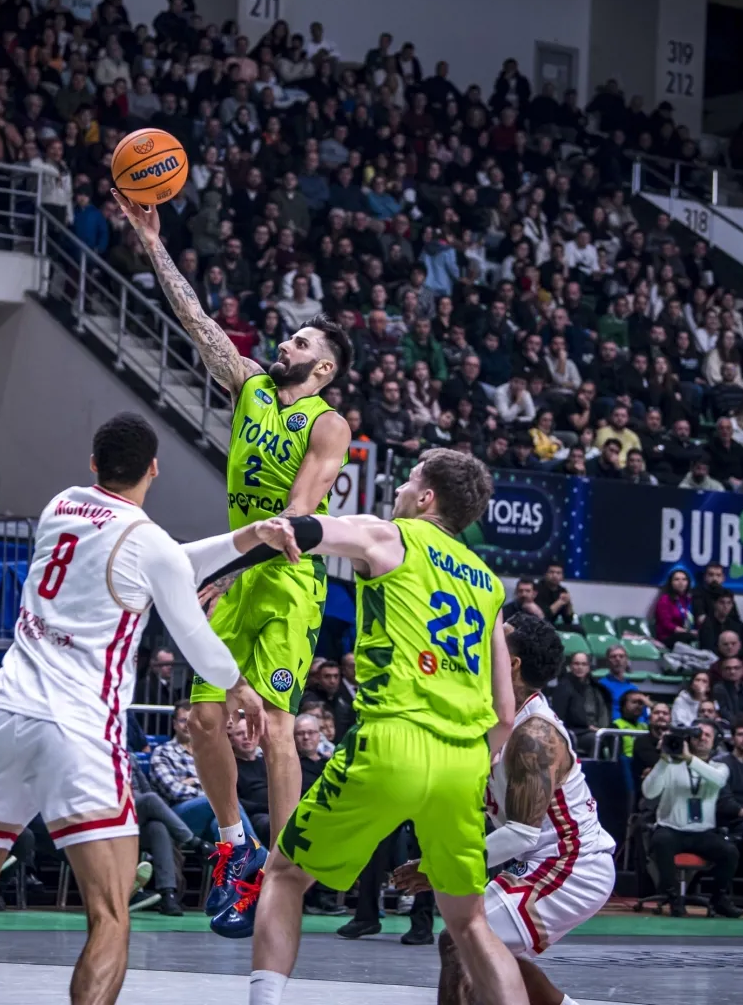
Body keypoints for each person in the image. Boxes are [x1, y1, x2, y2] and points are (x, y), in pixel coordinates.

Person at [0, 414, 272, 1005]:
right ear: (154, 469)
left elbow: (164, 558)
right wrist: (238, 684)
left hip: (6, 718)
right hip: (79, 728)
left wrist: (247, 537)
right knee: (110, 916)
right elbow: (190, 626)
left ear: (93, 464)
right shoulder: (150, 543)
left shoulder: (62, 506)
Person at [116, 191, 352, 919]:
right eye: (290, 339)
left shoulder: (329, 425)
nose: (286, 345)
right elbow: (196, 319)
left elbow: (295, 521)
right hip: (240, 568)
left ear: (323, 369)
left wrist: (222, 571)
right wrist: (153, 242)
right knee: (200, 715)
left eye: (301, 344)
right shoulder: (250, 385)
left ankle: (281, 869)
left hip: (285, 581)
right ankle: (233, 842)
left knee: (277, 724)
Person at [238, 448, 530, 1005]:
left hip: (394, 737)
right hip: (464, 760)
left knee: (285, 873)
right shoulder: (489, 584)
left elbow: (311, 528)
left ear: (426, 497)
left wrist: (264, 537)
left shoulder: (392, 535)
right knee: (469, 922)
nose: (399, 489)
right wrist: (473, 764)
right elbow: (506, 712)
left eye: (409, 480)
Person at [415, 613, 617, 1005]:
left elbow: (522, 833)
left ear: (512, 664)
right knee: (487, 950)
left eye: (495, 642)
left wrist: (442, 865)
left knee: (460, 939)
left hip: (573, 864)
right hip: (540, 857)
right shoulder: (493, 714)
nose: (482, 648)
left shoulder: (534, 734)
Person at [642, 720, 743, 918]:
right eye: (698, 734)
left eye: (707, 735)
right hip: (671, 829)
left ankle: (719, 899)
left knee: (730, 852)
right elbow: (649, 792)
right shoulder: (670, 766)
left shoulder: (720, 767)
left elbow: (718, 780)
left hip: (703, 833)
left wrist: (688, 758)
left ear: (715, 741)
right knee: (661, 841)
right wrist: (663, 760)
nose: (702, 738)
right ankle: (673, 897)